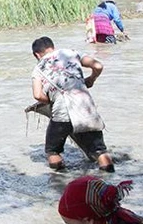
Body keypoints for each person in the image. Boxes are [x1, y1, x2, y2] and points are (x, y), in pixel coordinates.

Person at [31, 37, 113, 171]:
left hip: (62, 112)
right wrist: (91, 79)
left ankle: (61, 182)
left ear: (37, 54)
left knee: (52, 151)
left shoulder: (38, 68)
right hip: (86, 107)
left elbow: (38, 95)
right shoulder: (71, 53)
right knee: (100, 151)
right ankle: (110, 180)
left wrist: (53, 100)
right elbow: (98, 65)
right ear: (53, 47)